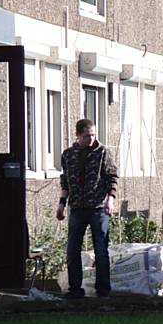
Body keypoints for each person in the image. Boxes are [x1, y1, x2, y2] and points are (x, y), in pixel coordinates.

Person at [56, 119, 118, 298]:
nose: (91, 139)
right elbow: (65, 181)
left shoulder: (103, 152)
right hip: (76, 207)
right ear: (78, 136)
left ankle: (103, 290)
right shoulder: (68, 155)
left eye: (93, 135)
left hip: (98, 207)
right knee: (72, 249)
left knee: (101, 249)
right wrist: (61, 204)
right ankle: (75, 289)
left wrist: (110, 199)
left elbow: (112, 177)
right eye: (86, 136)